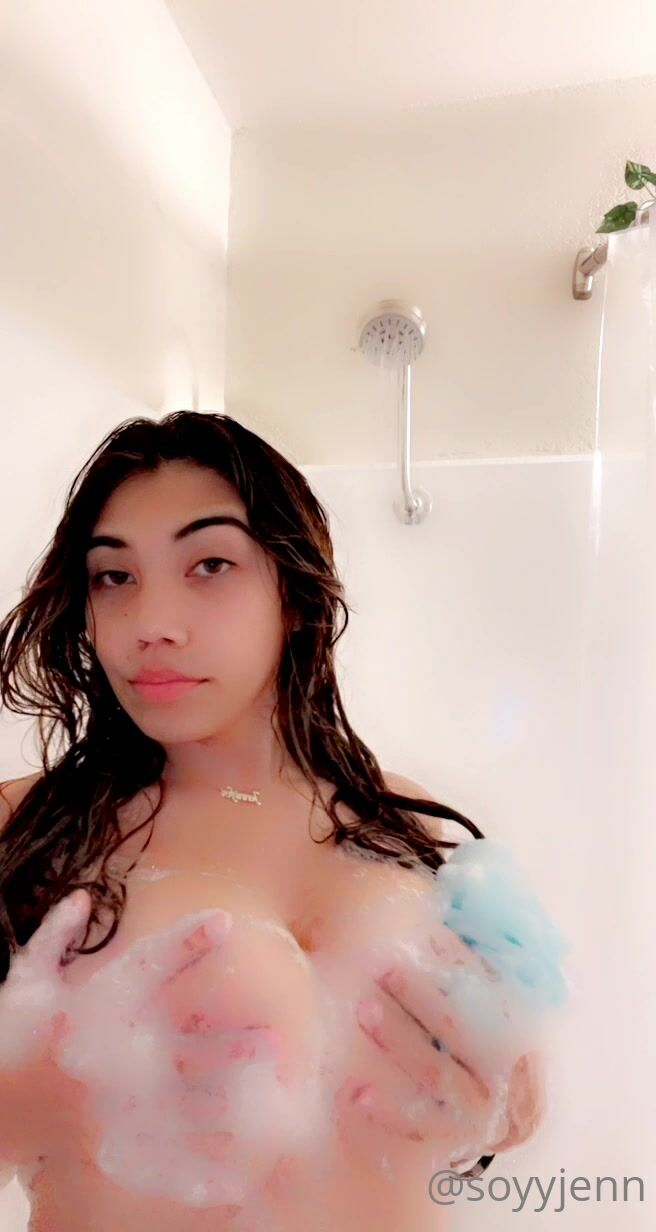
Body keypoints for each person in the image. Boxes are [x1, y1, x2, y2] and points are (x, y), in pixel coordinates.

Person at [0, 411, 569, 1232]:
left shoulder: (402, 824)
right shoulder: (28, 825)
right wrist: (44, 1097)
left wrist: (509, 1106)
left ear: (295, 596)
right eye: (114, 577)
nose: (151, 623)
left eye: (210, 564)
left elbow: (501, 1093)